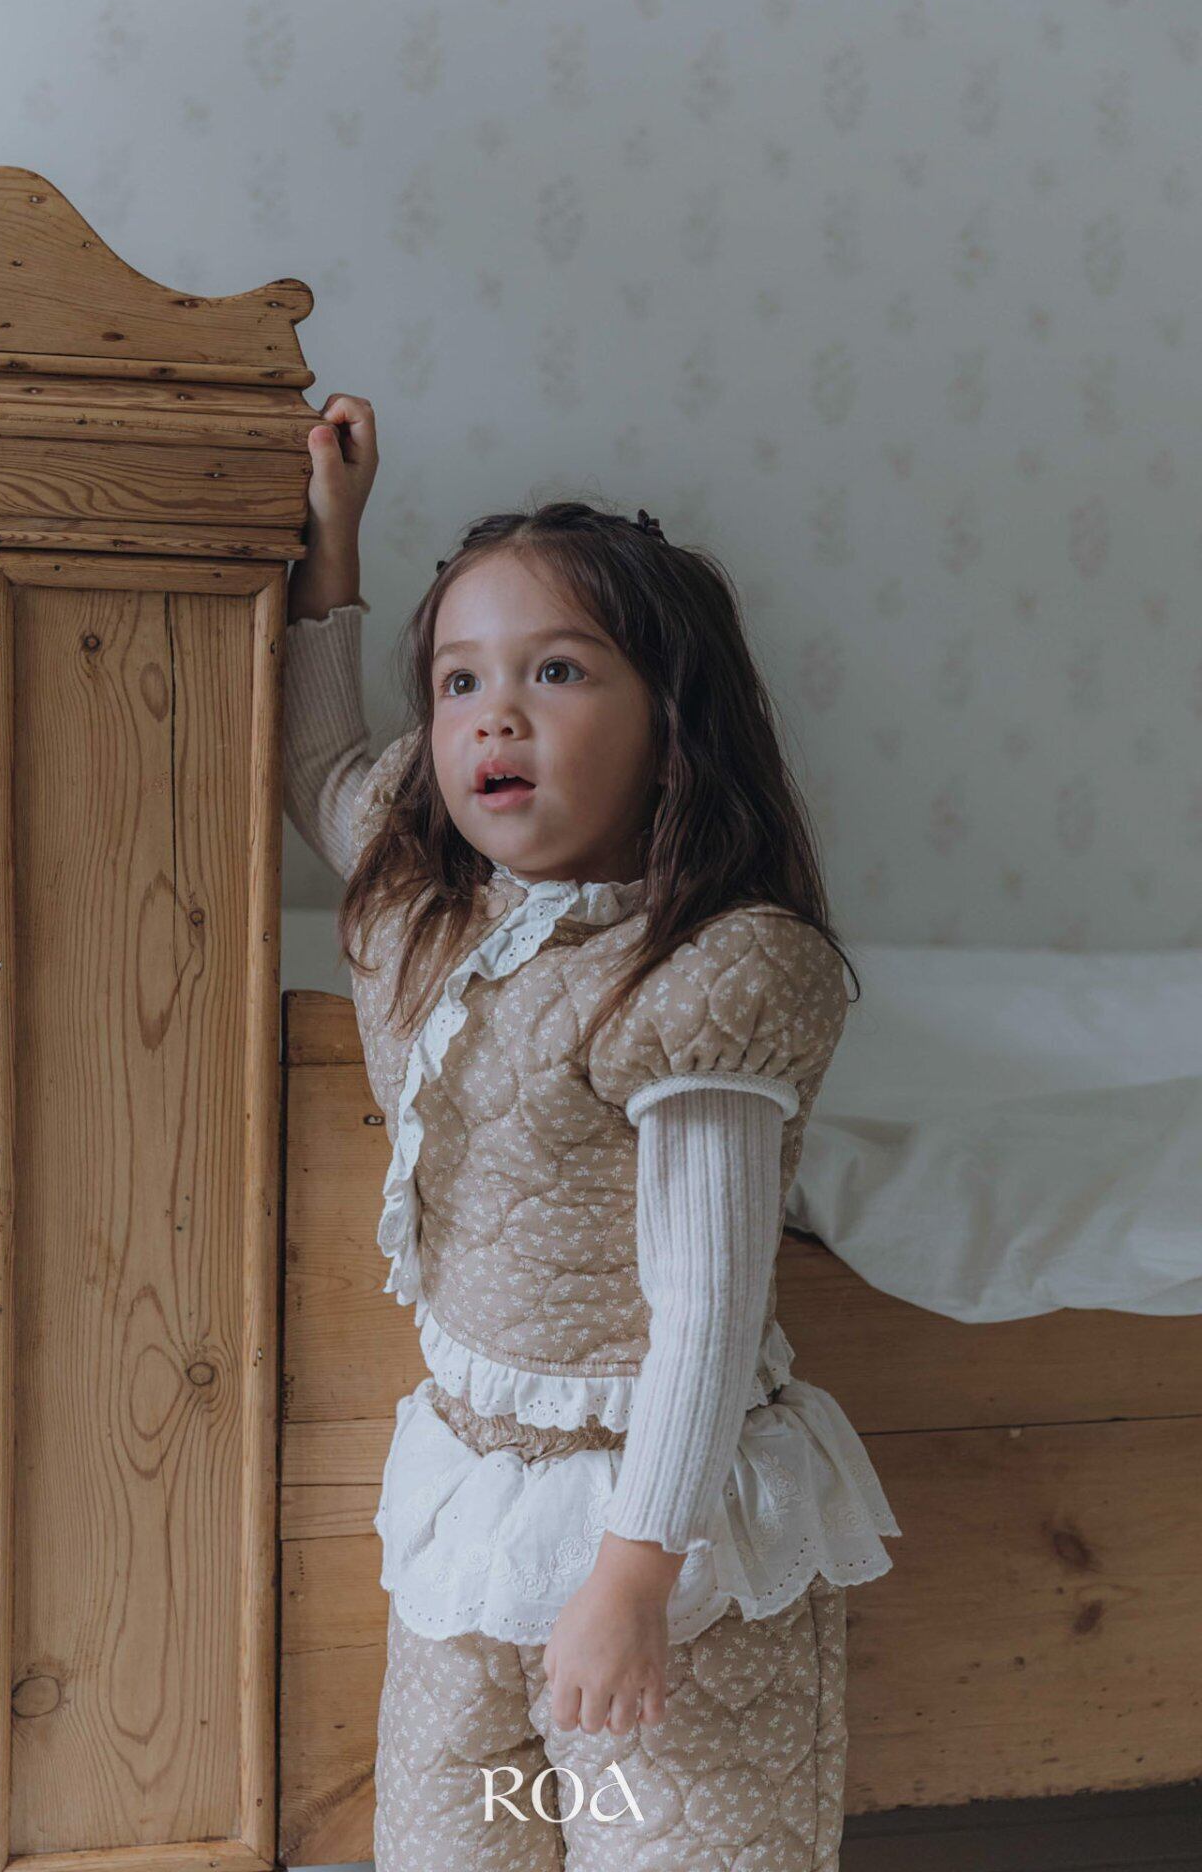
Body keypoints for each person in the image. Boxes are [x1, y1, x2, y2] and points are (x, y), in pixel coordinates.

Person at [282, 393, 900, 1870]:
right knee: (457, 1830)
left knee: (673, 1832)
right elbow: (313, 768)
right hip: (473, 1488)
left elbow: (706, 1311)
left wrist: (633, 1579)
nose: (492, 714)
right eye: (459, 681)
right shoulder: (425, 907)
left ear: (672, 728)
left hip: (652, 1517)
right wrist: (333, 542)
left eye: (554, 671)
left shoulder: (699, 973)